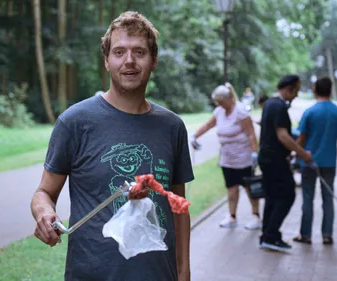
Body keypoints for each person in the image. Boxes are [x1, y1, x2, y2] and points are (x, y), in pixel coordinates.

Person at [30, 11, 193, 281]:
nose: (129, 61)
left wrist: (183, 272)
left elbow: (178, 207)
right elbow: (43, 192)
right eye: (119, 52)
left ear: (153, 61)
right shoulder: (75, 122)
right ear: (106, 61)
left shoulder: (172, 127)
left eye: (139, 52)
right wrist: (44, 212)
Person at [191, 83, 261, 230]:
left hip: (244, 158)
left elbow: (251, 133)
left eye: (221, 102)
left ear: (229, 99)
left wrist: (254, 153)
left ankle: (256, 216)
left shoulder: (240, 111)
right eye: (218, 102)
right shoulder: (219, 112)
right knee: (231, 187)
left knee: (249, 188)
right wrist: (195, 137)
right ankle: (232, 216)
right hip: (227, 159)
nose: (219, 105)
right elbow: (207, 126)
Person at [293, 77, 337, 245]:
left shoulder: (310, 112)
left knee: (308, 198)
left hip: (309, 161)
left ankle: (306, 234)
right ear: (330, 90)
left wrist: (296, 153)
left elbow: (302, 136)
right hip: (329, 162)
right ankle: (327, 234)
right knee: (328, 198)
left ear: (315, 90)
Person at [258, 74, 313, 252]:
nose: (296, 95)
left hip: (266, 157)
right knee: (287, 195)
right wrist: (303, 153)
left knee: (272, 197)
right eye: (296, 91)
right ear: (289, 88)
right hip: (274, 160)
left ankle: (266, 235)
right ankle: (272, 235)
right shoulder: (279, 106)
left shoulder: (269, 103)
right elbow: (282, 136)